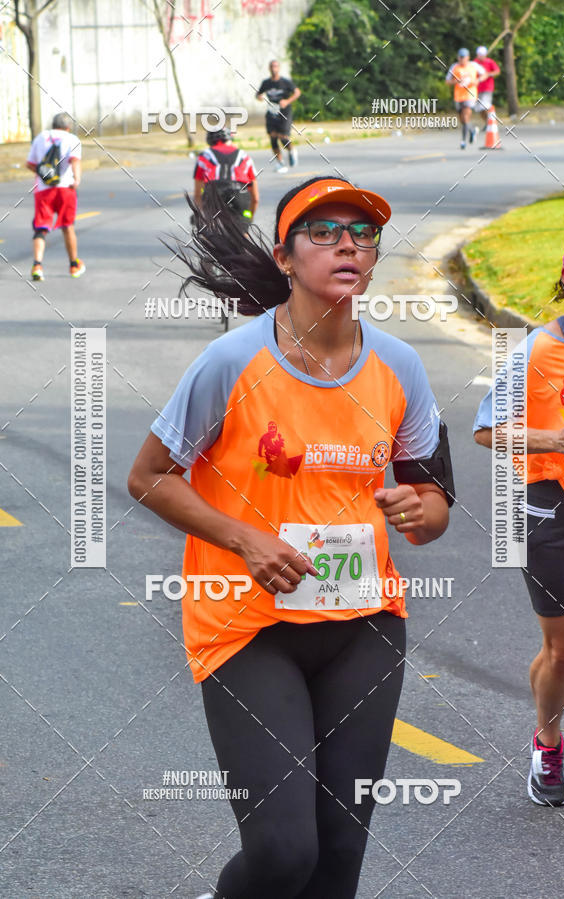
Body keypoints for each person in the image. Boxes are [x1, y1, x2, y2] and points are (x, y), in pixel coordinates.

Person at [128, 175, 454, 898]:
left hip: (364, 626)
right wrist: (245, 539)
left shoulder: (399, 365)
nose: (348, 243)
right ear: (284, 257)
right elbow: (149, 475)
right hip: (248, 626)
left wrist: (419, 511)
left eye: (362, 233)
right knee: (282, 854)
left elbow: (435, 502)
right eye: (324, 231)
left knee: (338, 858)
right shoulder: (232, 362)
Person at [473, 224, 564, 815]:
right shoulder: (532, 352)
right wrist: (555, 437)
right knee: (562, 653)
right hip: (548, 508)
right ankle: (547, 743)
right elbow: (484, 431)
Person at [26, 111, 85, 281]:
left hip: (43, 190)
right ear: (68, 127)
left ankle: (37, 265)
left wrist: (44, 174)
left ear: (53, 125)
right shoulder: (72, 139)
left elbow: (30, 164)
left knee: (40, 227)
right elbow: (75, 161)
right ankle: (74, 265)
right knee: (68, 226)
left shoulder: (40, 138)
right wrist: (77, 179)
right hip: (66, 189)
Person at [193, 127, 259, 233]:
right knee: (243, 234)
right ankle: (244, 238)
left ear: (210, 141)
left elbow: (197, 194)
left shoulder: (204, 156)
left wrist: (202, 217)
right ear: (230, 139)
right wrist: (248, 219)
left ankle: (211, 239)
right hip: (239, 194)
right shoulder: (245, 156)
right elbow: (255, 198)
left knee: (211, 234)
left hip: (213, 194)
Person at [256, 59, 301, 173]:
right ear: (269, 68)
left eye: (276, 66)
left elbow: (297, 92)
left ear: (279, 68)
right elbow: (258, 94)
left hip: (284, 112)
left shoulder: (285, 82)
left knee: (283, 137)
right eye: (272, 66)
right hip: (272, 112)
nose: (273, 68)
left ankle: (291, 150)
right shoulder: (266, 83)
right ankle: (280, 163)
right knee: (273, 137)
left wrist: (287, 101)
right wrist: (259, 97)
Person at [445, 48, 486, 149]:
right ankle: (472, 130)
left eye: (463, 57)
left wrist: (478, 80)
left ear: (468, 57)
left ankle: (463, 141)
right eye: (460, 57)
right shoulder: (455, 67)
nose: (461, 59)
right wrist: (456, 81)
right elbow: (447, 81)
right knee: (462, 120)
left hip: (470, 95)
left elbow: (485, 74)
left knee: (466, 116)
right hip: (458, 96)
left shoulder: (473, 66)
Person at [474, 46, 501, 125]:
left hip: (487, 87)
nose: (481, 56)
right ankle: (487, 123)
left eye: (482, 55)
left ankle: (491, 121)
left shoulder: (490, 62)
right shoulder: (474, 63)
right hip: (477, 88)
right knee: (479, 108)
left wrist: (489, 74)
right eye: (479, 54)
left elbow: (497, 71)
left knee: (485, 106)